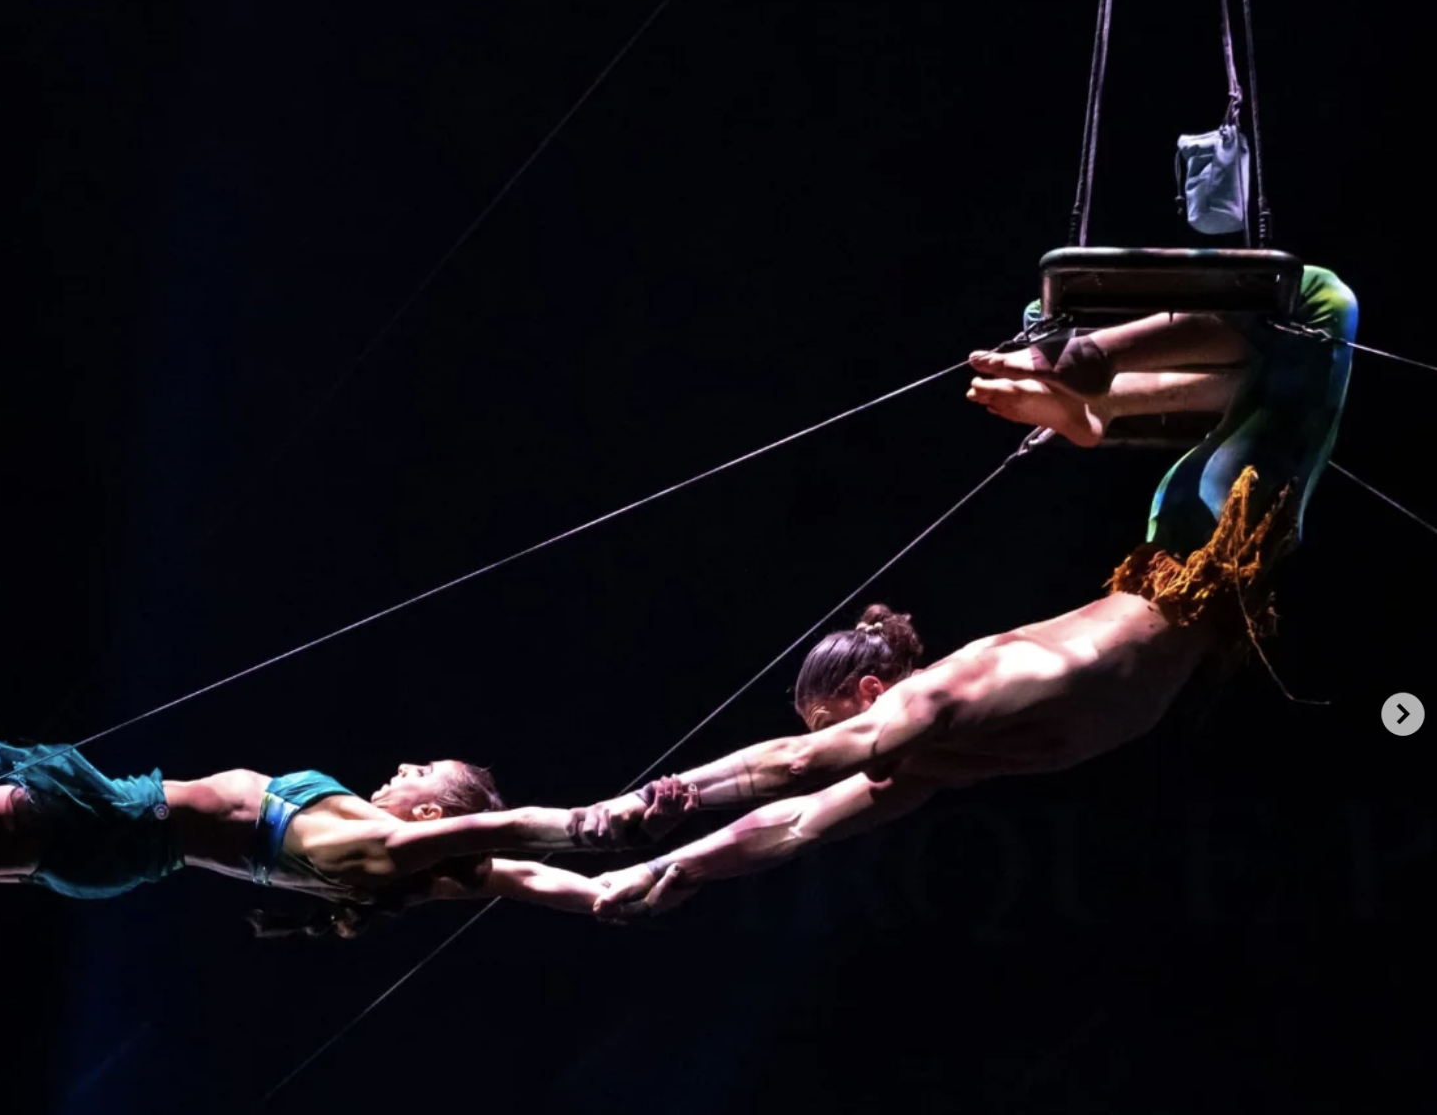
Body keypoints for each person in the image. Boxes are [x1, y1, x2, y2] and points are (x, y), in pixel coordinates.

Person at [579, 266, 1358, 917]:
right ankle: (1086, 396)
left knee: (1319, 307)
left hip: (1203, 535)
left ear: (874, 688)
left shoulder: (939, 702)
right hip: (1193, 547)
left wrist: (674, 789)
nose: (846, 759)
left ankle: (1082, 365)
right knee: (1266, 370)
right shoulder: (932, 767)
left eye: (840, 724)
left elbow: (796, 766)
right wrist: (674, 871)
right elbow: (794, 825)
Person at [0, 739, 687, 936]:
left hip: (113, 826)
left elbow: (514, 833)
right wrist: (619, 885)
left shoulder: (400, 850)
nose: (405, 764)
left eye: (424, 772)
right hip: (123, 828)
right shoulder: (410, 851)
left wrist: (610, 823)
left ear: (433, 810)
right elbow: (536, 883)